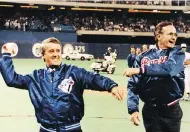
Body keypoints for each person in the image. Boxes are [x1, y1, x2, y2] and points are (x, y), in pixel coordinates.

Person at [0, 37, 125, 132]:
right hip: (46, 130)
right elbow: (12, 80)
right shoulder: (35, 77)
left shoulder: (74, 72)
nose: (56, 54)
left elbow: (93, 78)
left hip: (72, 129)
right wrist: (6, 55)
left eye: (58, 51)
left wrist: (111, 85)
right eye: (51, 51)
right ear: (43, 56)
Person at [123, 22, 185, 132]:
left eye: (175, 35)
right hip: (150, 110)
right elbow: (133, 85)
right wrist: (133, 109)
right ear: (158, 36)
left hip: (171, 110)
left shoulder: (177, 53)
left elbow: (169, 70)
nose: (174, 37)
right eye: (170, 34)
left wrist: (141, 70)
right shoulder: (142, 57)